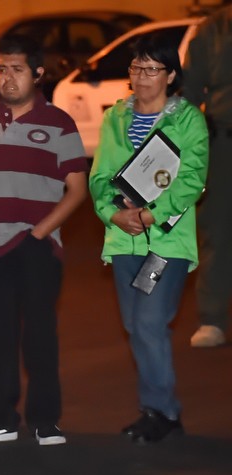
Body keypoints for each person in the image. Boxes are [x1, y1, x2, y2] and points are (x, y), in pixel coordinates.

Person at [0, 35, 87, 446]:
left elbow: (78, 189)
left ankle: (45, 421)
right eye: (1, 68)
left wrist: (40, 232)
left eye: (17, 69)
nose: (7, 78)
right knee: (0, 338)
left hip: (36, 246)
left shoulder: (59, 122)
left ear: (38, 74)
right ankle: (0, 420)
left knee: (40, 337)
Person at [88, 35, 208, 443]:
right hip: (124, 240)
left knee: (149, 322)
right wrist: (113, 213)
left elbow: (192, 180)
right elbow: (100, 176)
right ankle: (153, 410)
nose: (141, 77)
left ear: (171, 75)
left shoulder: (188, 119)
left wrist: (149, 214)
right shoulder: (114, 118)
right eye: (135, 69)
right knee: (135, 325)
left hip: (165, 242)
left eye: (151, 69)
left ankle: (163, 411)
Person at [184, 5, 232, 348]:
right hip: (224, 143)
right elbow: (189, 93)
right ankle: (212, 318)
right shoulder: (211, 30)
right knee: (218, 228)